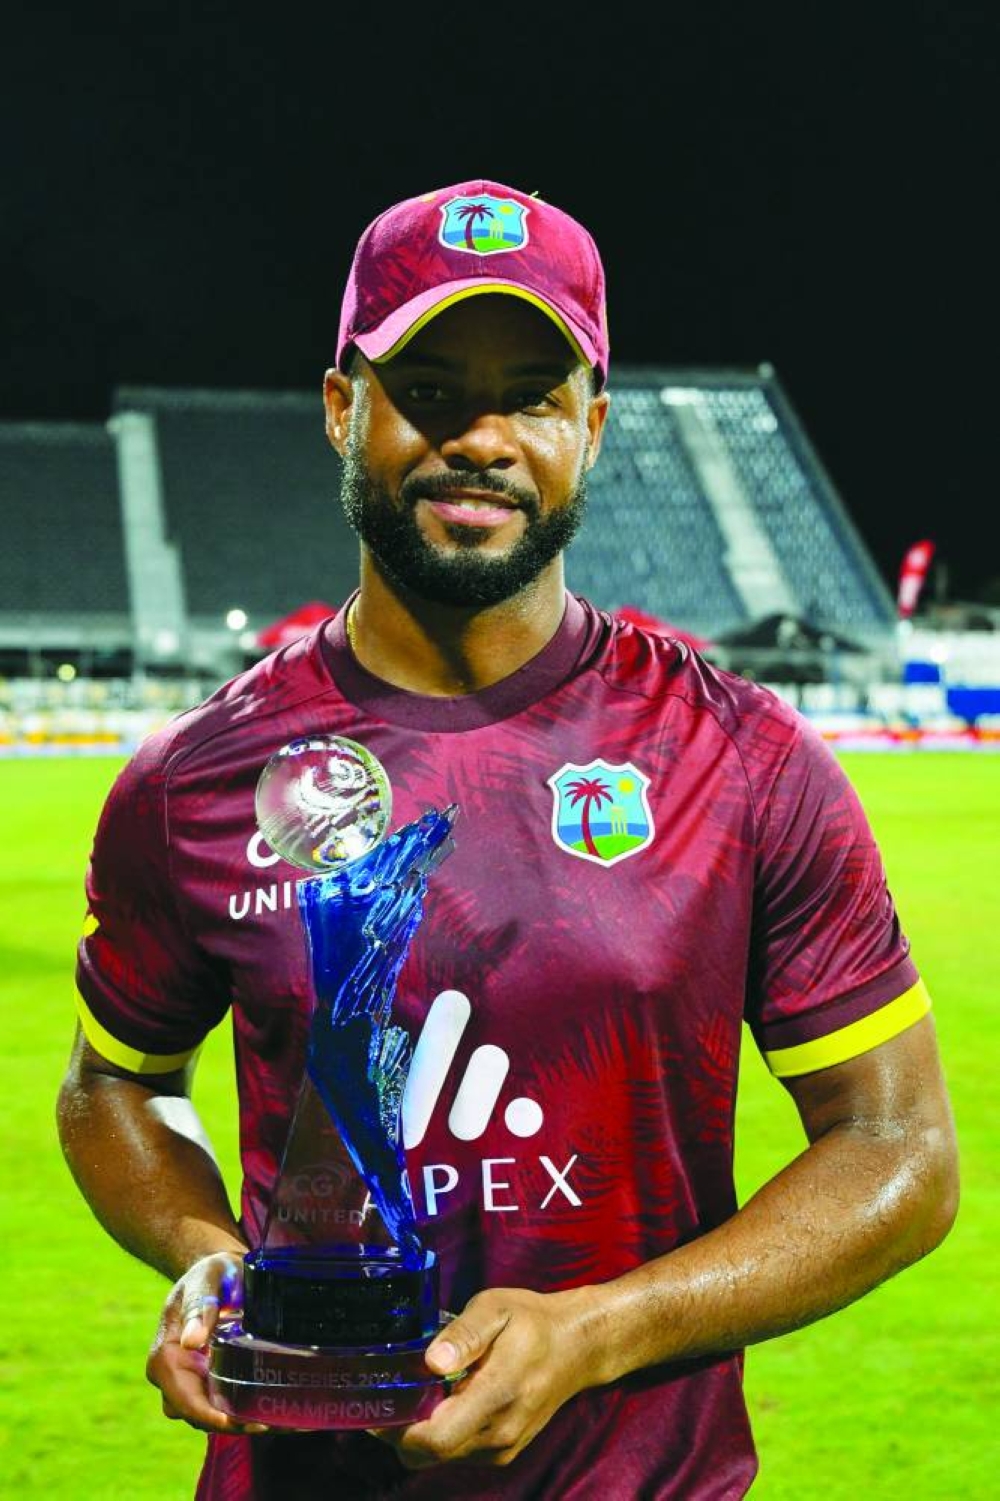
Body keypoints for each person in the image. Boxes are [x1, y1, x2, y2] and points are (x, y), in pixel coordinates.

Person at [58, 179, 959, 1500]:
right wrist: (203, 1250)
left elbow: (901, 1150)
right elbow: (113, 1085)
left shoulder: (745, 757)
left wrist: (600, 1331)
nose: (480, 436)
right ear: (337, 408)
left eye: (533, 393)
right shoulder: (194, 776)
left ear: (591, 429)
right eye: (426, 386)